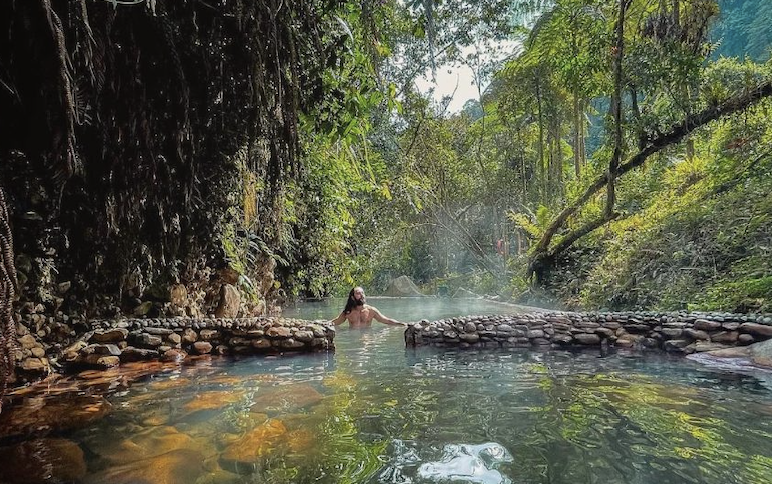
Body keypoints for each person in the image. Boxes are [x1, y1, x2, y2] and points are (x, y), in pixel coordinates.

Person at [331, 286, 405, 328]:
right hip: (353, 341)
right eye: (358, 293)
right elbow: (336, 322)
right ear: (352, 297)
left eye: (362, 293)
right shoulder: (348, 311)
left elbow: (386, 320)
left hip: (367, 341)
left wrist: (402, 324)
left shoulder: (371, 310)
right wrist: (324, 323)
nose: (362, 295)